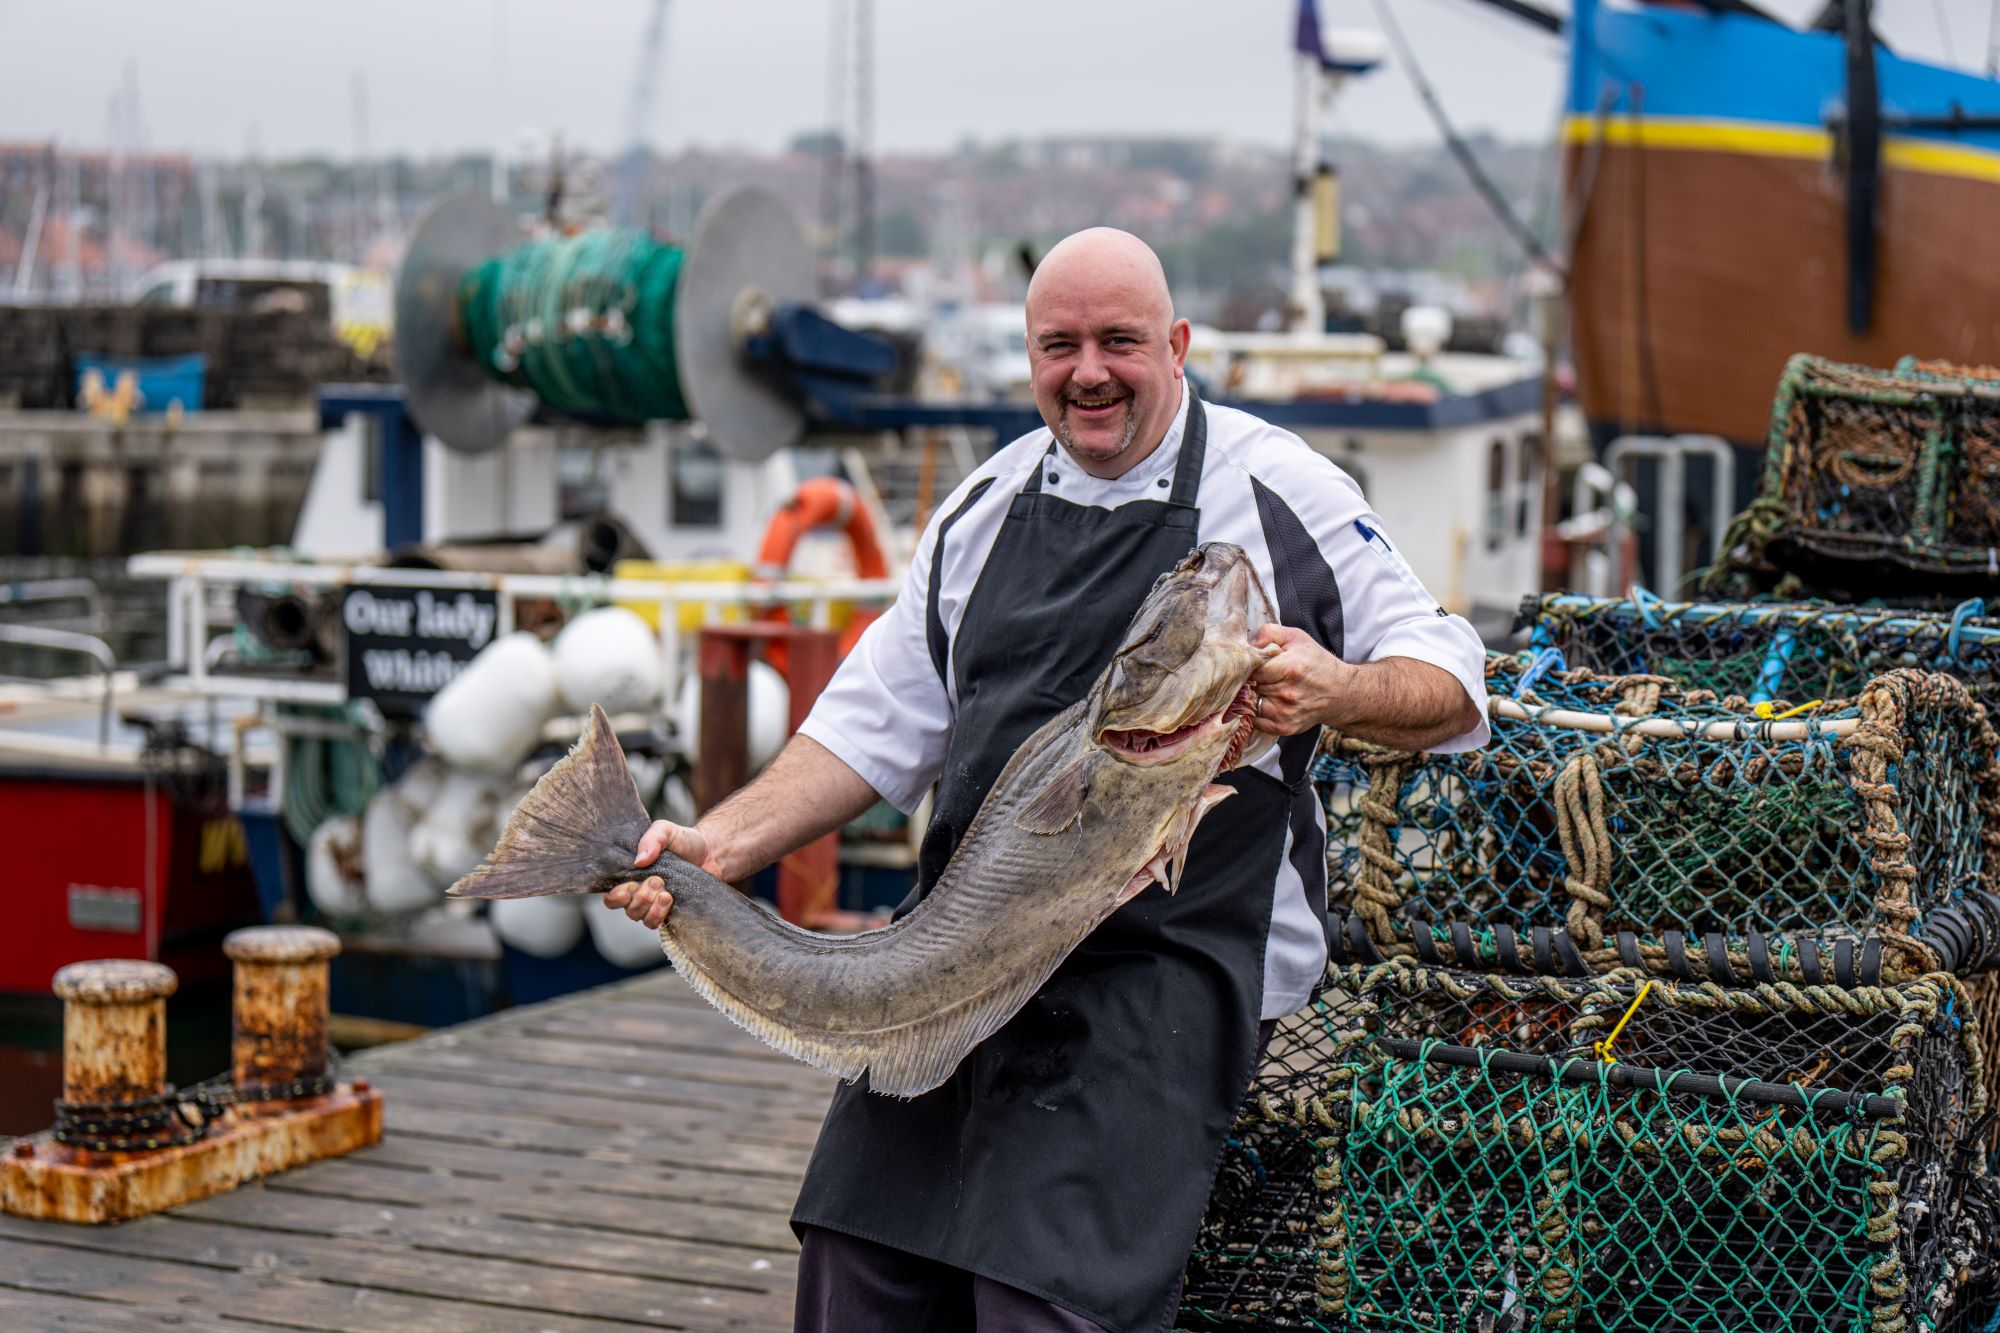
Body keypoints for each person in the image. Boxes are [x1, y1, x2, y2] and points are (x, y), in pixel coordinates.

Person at [605, 228, 1488, 1333]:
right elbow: (876, 722)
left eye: (1119, 341)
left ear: (1175, 345)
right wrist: (719, 848)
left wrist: (1338, 687)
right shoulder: (983, 505)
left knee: (1039, 1295)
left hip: (1168, 966)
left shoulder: (1277, 487)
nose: (1088, 373)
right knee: (853, 1257)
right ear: (1026, 357)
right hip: (964, 946)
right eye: (1057, 345)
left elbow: (1449, 676)